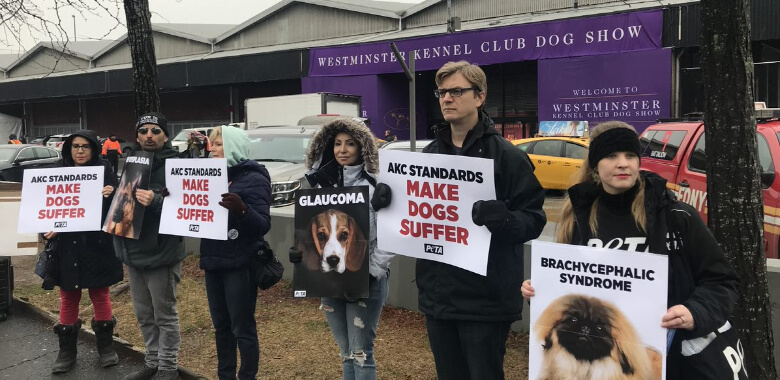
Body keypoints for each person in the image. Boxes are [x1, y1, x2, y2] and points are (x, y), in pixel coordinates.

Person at [521, 121, 739, 379]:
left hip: (674, 358)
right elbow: (569, 286)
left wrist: (695, 312)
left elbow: (722, 281)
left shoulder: (675, 216)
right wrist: (540, 291)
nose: (623, 163)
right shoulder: (577, 217)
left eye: (630, 155)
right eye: (611, 156)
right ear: (595, 166)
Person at [372, 61, 546, 380]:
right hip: (440, 298)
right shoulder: (428, 157)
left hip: (486, 301)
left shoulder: (507, 157)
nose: (447, 98)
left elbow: (534, 220)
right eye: (442, 92)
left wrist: (504, 219)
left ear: (480, 97)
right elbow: (413, 217)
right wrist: (387, 203)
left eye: (457, 91)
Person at [292, 118, 395, 380]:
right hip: (329, 283)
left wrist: (372, 270)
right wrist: (302, 256)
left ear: (362, 148)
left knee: (362, 353)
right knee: (346, 351)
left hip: (367, 280)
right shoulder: (317, 185)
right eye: (337, 143)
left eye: (350, 143)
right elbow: (308, 230)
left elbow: (392, 233)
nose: (343, 149)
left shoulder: (378, 186)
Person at [44, 130, 123, 374]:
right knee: (68, 297)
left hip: (97, 245)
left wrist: (112, 196)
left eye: (85, 147)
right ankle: (66, 352)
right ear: (68, 149)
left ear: (93, 149)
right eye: (75, 146)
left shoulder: (106, 172)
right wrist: (50, 229)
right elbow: (46, 208)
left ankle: (106, 347)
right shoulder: (57, 173)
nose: (80, 151)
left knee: (100, 294)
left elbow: (121, 212)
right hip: (68, 247)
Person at [116, 112, 186, 380]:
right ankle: (153, 361)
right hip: (132, 250)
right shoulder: (129, 162)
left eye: (155, 131)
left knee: (164, 315)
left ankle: (168, 367)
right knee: (144, 314)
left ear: (165, 136)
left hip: (161, 252)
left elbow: (188, 205)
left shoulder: (178, 165)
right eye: (143, 130)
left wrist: (156, 200)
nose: (149, 135)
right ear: (136, 136)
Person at [200, 125, 271, 380]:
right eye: (212, 144)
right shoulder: (207, 175)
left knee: (242, 327)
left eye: (219, 144)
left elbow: (262, 225)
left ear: (234, 146)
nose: (213, 149)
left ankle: (247, 376)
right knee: (221, 327)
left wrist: (242, 210)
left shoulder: (254, 178)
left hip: (240, 263)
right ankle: (226, 375)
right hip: (213, 259)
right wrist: (176, 197)